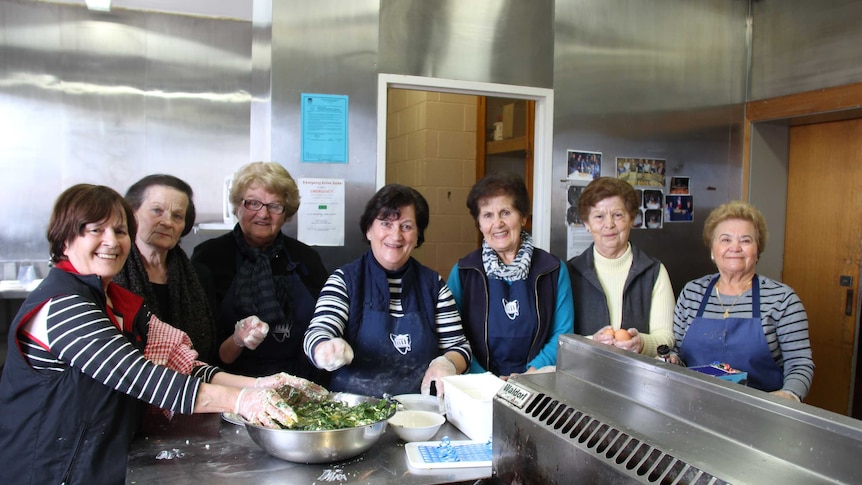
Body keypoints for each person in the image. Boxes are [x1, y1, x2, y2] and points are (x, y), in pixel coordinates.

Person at [0, 184, 321, 484]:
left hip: (95, 462)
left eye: (121, 230)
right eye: (95, 230)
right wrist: (241, 400)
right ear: (65, 240)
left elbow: (183, 366)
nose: (112, 241)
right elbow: (141, 377)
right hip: (49, 469)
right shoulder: (62, 305)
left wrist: (262, 385)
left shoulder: (118, 302)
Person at [304, 184, 471, 397]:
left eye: (407, 226)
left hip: (418, 414)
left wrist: (447, 363)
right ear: (368, 229)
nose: (396, 235)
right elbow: (317, 333)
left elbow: (459, 347)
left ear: (418, 235)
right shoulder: (345, 281)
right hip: (352, 415)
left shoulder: (434, 285)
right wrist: (325, 349)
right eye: (385, 223)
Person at [192, 162, 329, 380]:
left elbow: (325, 322)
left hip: (300, 382)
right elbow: (201, 338)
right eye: (253, 203)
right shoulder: (209, 257)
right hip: (233, 385)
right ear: (237, 206)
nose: (263, 214)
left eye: (274, 206)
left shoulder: (305, 258)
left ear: (286, 213)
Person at [671, 201, 814, 401]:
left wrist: (789, 394)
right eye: (725, 239)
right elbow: (676, 351)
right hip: (694, 405)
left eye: (745, 240)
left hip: (760, 413)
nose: (735, 247)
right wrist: (670, 359)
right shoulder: (692, 293)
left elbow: (800, 363)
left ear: (757, 250)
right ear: (713, 249)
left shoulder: (782, 299)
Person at [447, 172, 574, 378]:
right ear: (479, 224)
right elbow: (453, 336)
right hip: (477, 385)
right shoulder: (463, 272)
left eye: (505, 212)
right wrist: (486, 379)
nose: (497, 223)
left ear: (523, 217)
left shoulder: (553, 270)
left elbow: (562, 335)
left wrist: (527, 376)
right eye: (488, 215)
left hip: (537, 382)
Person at [113, 174, 217, 362]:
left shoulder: (199, 275)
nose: (167, 222)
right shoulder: (111, 273)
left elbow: (210, 347)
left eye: (177, 216)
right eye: (157, 211)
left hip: (192, 382)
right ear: (132, 214)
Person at [567, 177, 675, 357]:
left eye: (618, 215)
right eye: (599, 217)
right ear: (587, 223)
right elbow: (560, 337)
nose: (609, 224)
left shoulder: (654, 271)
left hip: (639, 379)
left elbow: (666, 336)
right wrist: (591, 342)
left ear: (631, 219)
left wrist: (642, 343)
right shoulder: (570, 272)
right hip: (584, 374)